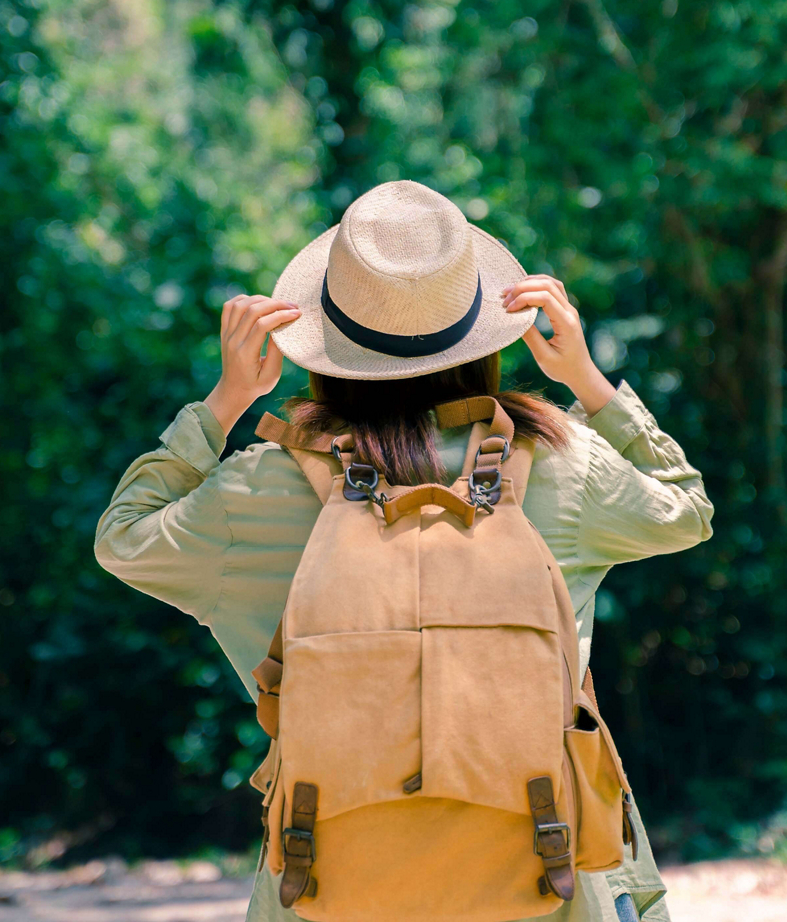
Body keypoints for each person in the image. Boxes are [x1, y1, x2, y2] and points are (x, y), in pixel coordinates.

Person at [96, 181, 714, 922]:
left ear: (326, 340)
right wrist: (587, 382)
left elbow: (124, 538)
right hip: (549, 874)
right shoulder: (562, 464)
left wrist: (223, 403)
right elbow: (686, 510)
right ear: (482, 333)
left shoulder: (255, 489)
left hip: (323, 882)